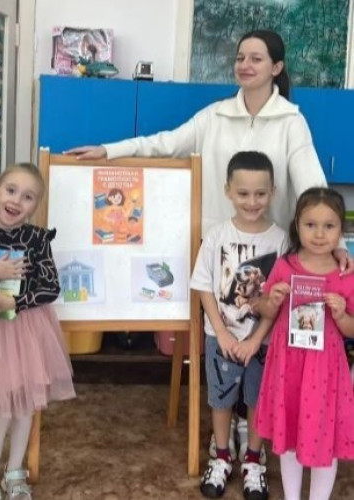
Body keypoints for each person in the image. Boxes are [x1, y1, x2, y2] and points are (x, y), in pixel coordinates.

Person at [65, 27, 353, 456]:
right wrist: (109, 150)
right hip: (221, 252)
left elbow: (312, 184)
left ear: (276, 67)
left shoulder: (291, 121)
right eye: (240, 57)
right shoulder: (215, 116)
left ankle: (251, 429)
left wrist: (335, 242)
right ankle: (227, 428)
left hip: (272, 255)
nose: (244, 65)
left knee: (261, 343)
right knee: (222, 341)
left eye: (256, 58)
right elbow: (164, 144)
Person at [0, 163, 76, 500]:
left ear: (35, 205)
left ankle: (15, 473)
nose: (17, 200)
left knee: (25, 409)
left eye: (28, 197)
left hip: (28, 333)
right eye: (11, 190)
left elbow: (51, 287)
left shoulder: (37, 239)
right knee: (1, 413)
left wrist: (14, 301)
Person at [190, 151, 288, 499]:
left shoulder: (280, 240)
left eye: (260, 193)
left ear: (273, 192)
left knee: (258, 399)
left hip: (262, 341)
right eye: (243, 193)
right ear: (228, 191)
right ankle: (221, 455)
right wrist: (221, 332)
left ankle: (253, 459)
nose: (252, 201)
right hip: (221, 339)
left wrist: (256, 339)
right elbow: (203, 286)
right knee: (220, 400)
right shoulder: (217, 235)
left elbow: (278, 300)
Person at [255, 187, 354, 500]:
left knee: (324, 437)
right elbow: (263, 308)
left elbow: (352, 328)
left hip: (325, 370)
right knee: (289, 436)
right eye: (311, 224)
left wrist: (341, 315)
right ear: (297, 225)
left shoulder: (346, 275)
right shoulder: (285, 266)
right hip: (288, 366)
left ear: (341, 229)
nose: (320, 234)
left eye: (329, 226)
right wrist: (271, 300)